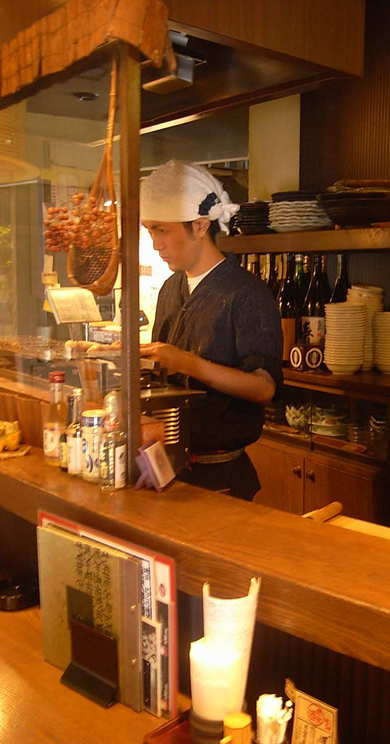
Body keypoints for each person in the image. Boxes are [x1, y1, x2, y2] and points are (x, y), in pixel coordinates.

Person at [138, 161, 282, 500]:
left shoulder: (246, 294)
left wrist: (186, 362)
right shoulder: (171, 288)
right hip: (169, 465)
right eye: (149, 231)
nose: (156, 243)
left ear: (200, 225)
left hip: (221, 476)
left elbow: (263, 387)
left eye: (162, 230)